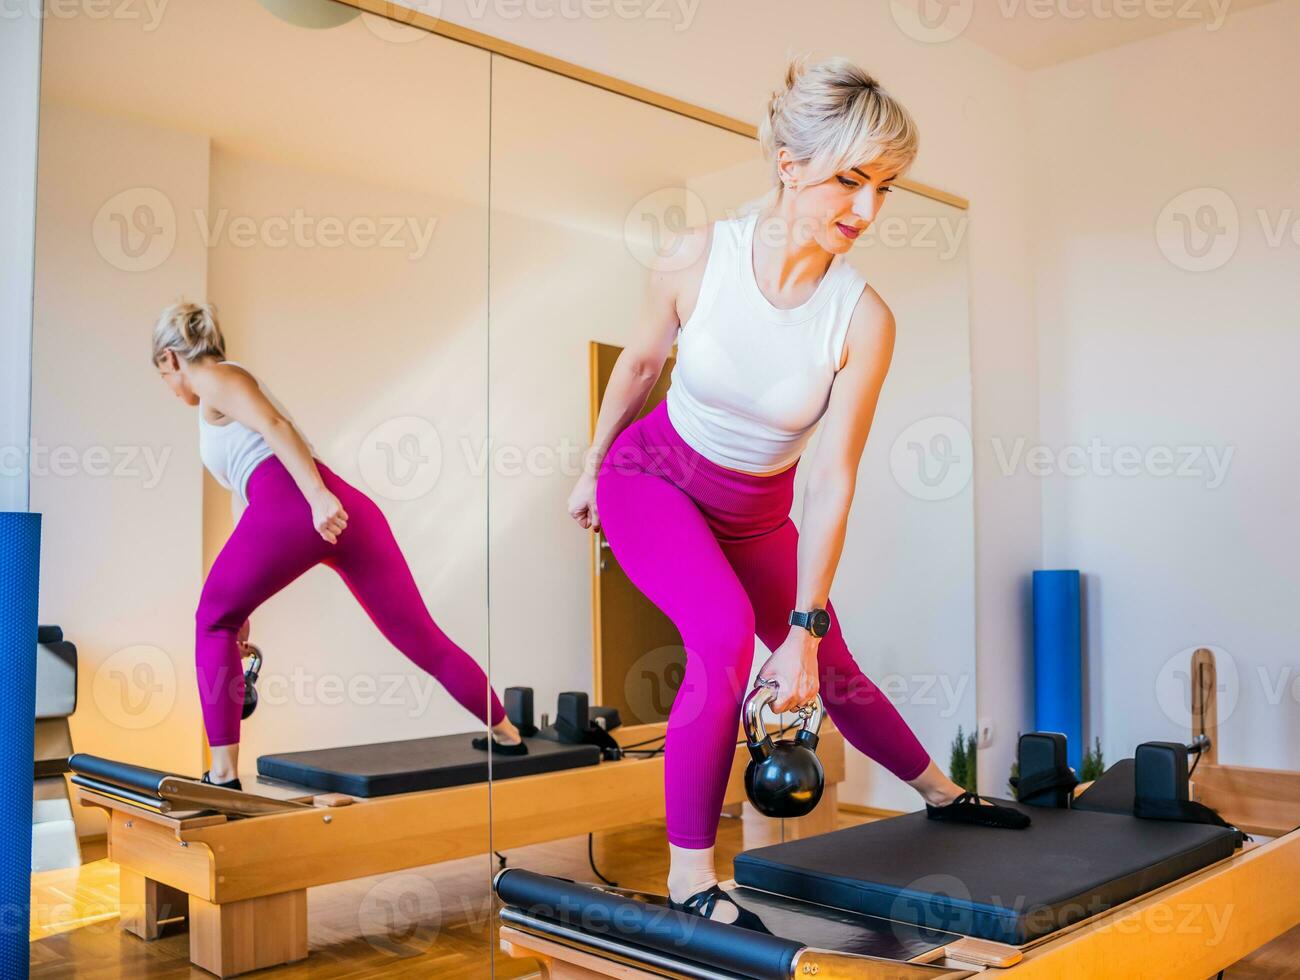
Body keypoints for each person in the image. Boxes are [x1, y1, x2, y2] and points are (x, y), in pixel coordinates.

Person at [567, 55, 1027, 928]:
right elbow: (638, 366)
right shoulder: (698, 256)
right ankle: (691, 880)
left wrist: (807, 631)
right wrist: (589, 465)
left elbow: (832, 476)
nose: (868, 210)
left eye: (886, 188)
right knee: (721, 636)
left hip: (759, 514)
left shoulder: (862, 317)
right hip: (650, 478)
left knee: (831, 665)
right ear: (790, 166)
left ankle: (942, 793)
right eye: (850, 180)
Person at [151, 301, 525, 789]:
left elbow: (276, 429)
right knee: (418, 635)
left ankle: (222, 774)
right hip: (334, 506)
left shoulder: (214, 378)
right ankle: (507, 731)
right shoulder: (217, 393)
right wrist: (246, 603)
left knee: (210, 621)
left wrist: (316, 498)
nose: (169, 386)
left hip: (300, 499)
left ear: (170, 360)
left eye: (163, 375)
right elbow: (247, 500)